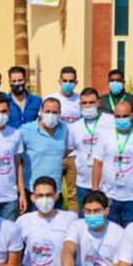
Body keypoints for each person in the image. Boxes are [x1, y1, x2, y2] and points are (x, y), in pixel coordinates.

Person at [91, 100, 133, 226]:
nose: (121, 119)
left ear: (132, 115)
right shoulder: (105, 136)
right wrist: (95, 191)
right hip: (109, 196)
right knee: (110, 232)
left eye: (125, 116)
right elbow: (97, 164)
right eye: (118, 116)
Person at [67, 88, 113, 214]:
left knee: (107, 217)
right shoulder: (75, 127)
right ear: (80, 104)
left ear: (98, 103)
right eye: (84, 103)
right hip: (83, 183)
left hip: (107, 184)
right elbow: (68, 149)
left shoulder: (111, 121)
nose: (88, 106)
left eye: (92, 102)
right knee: (85, 218)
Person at [18, 97, 68, 197]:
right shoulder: (25, 131)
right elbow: (16, 158)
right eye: (47, 111)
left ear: (60, 113)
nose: (51, 115)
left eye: (54, 112)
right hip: (31, 190)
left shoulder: (65, 130)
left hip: (55, 191)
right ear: (40, 111)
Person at [49, 66, 83, 213]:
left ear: (76, 82)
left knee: (73, 194)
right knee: (53, 192)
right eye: (65, 81)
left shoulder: (80, 101)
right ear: (59, 81)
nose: (68, 84)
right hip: (55, 153)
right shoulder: (51, 99)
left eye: (71, 81)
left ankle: (74, 222)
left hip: (74, 155)